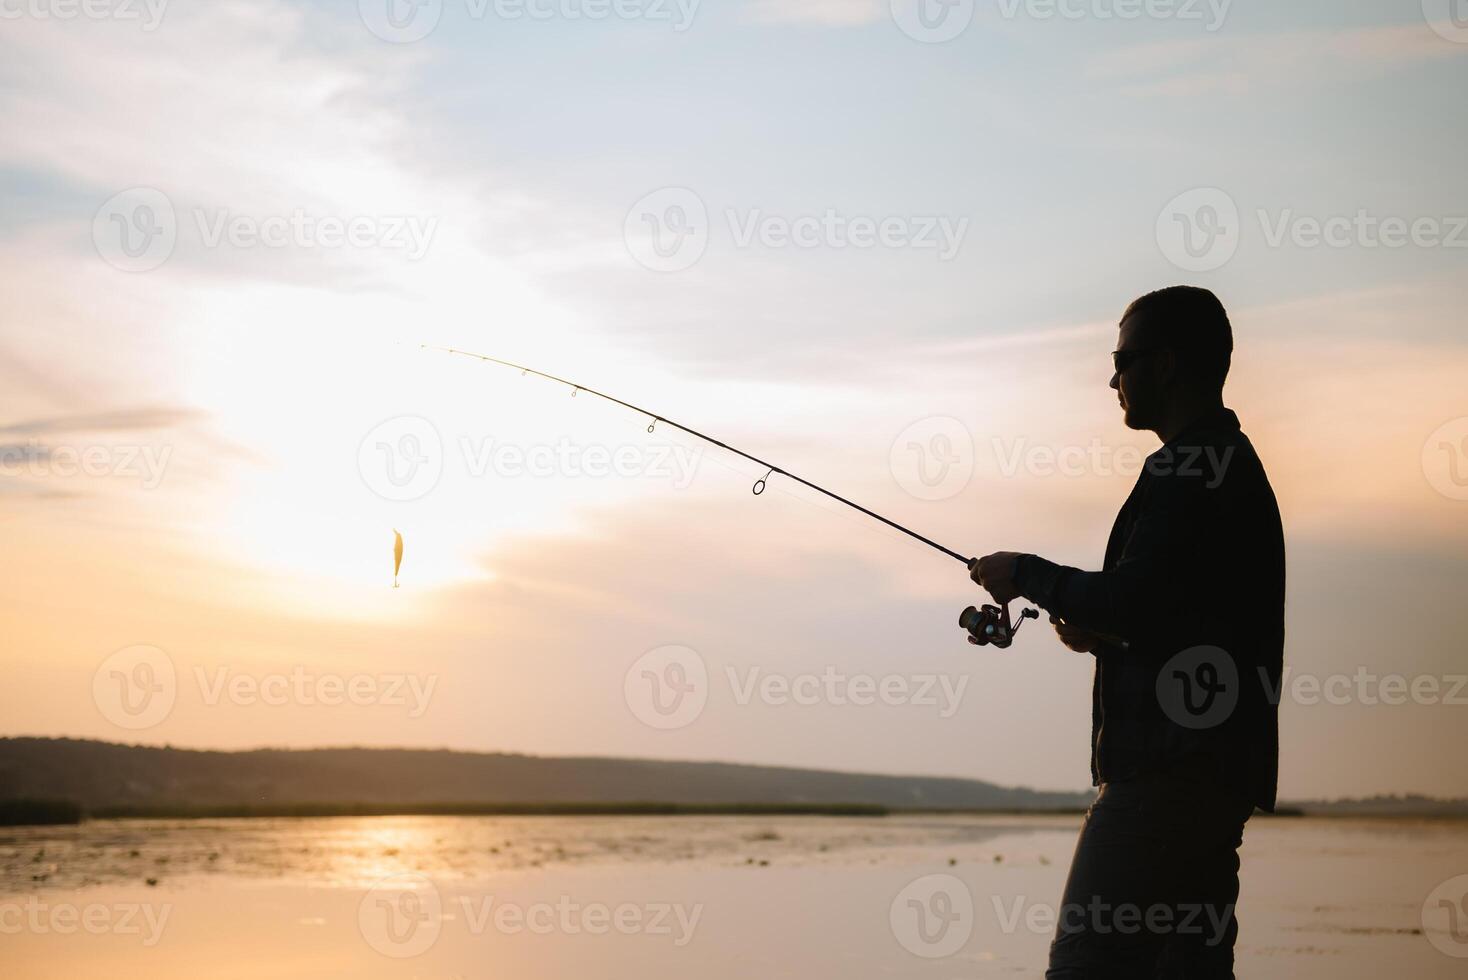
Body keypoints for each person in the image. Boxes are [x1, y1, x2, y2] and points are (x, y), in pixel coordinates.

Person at [969, 286, 1286, 979]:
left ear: (1167, 364)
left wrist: (1023, 571)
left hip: (1164, 783)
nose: (1113, 380)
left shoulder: (1190, 470)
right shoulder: (1224, 463)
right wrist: (1101, 632)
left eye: (1125, 361)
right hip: (1211, 783)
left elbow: (1133, 600)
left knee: (1087, 966)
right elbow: (1176, 614)